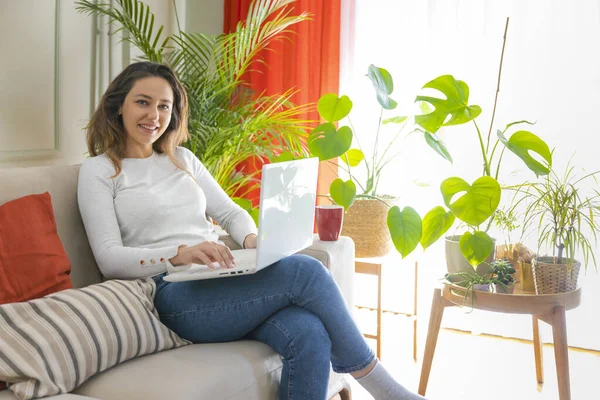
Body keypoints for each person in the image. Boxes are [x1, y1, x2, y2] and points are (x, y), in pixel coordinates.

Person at [77, 61, 426, 400]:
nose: (154, 115)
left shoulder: (182, 159)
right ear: (117, 106)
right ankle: (384, 388)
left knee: (308, 332)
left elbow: (229, 212)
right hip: (172, 294)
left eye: (164, 106)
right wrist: (179, 254)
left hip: (222, 277)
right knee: (306, 271)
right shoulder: (99, 171)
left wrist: (251, 240)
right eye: (143, 102)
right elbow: (110, 259)